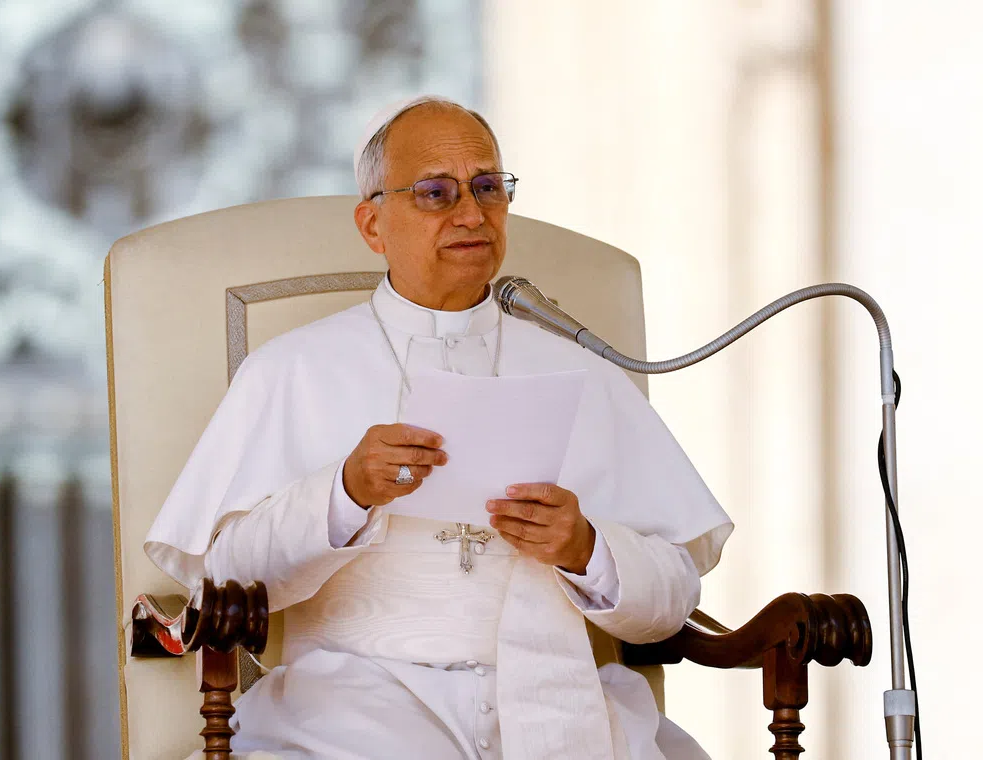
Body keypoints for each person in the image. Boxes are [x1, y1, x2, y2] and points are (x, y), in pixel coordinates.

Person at [145, 95, 733, 760]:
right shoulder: (291, 369)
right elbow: (226, 580)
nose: (471, 214)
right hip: (349, 719)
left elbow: (675, 595)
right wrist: (343, 494)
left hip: (558, 715)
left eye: (488, 187)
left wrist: (586, 548)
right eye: (435, 193)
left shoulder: (583, 373)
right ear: (373, 224)